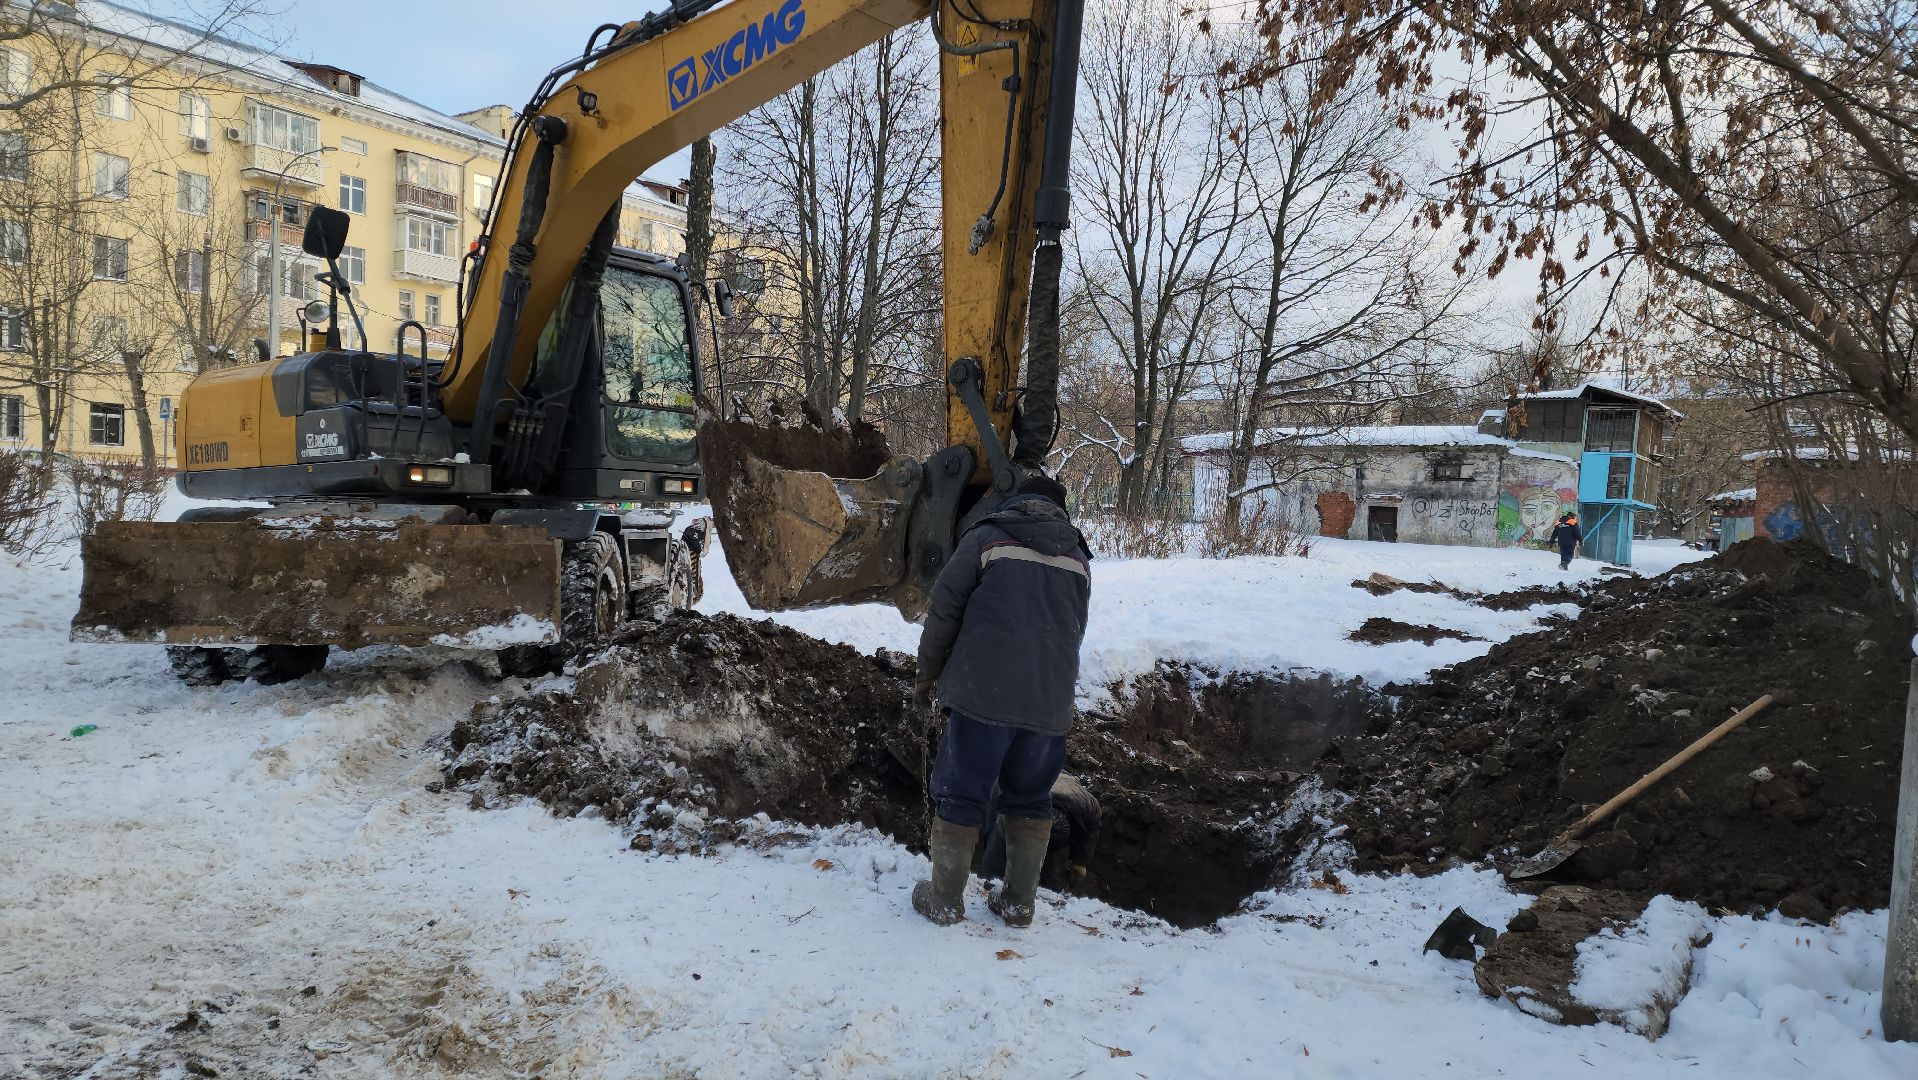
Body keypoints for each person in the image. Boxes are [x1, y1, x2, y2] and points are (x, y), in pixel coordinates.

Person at [911, 474, 1092, 928]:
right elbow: (1074, 630)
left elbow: (944, 610)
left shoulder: (986, 537)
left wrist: (926, 675)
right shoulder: (1079, 559)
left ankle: (945, 900)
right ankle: (1017, 904)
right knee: (1031, 797)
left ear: (1015, 502)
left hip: (981, 695)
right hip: (1049, 705)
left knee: (961, 792)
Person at [979, 773, 1102, 893]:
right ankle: (986, 884)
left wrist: (1081, 861)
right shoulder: (1017, 798)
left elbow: (1092, 827)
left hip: (1061, 783)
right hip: (1012, 788)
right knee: (998, 850)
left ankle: (1055, 893)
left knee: (1054, 876)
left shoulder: (1087, 807)